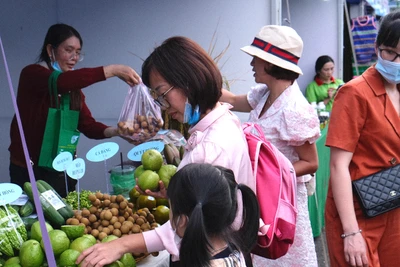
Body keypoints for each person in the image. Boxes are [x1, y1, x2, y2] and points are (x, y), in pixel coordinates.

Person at [77, 36, 255, 267]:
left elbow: (188, 226)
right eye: (157, 98)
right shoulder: (224, 121)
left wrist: (121, 244)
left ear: (189, 82)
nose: (163, 106)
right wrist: (177, 195)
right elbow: (210, 201)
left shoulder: (211, 146)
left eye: (162, 94)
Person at [219, 25, 320, 266]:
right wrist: (200, 83)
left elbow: (311, 162)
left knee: (284, 256)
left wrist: (271, 175)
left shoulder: (294, 107)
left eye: (256, 57)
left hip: (282, 202)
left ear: (269, 63)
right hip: (263, 196)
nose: (252, 63)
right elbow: (232, 100)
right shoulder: (264, 94)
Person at [8, 23, 141, 197]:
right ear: (50, 50)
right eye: (68, 50)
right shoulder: (32, 74)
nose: (74, 57)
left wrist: (118, 131)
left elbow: (88, 125)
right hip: (29, 169)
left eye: (78, 52)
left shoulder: (74, 90)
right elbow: (60, 82)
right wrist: (112, 70)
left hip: (61, 170)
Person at [325, 10, 400, 267]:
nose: (397, 61)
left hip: (395, 208)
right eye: (391, 52)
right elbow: (337, 166)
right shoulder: (354, 93)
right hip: (358, 212)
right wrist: (351, 232)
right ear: (377, 47)